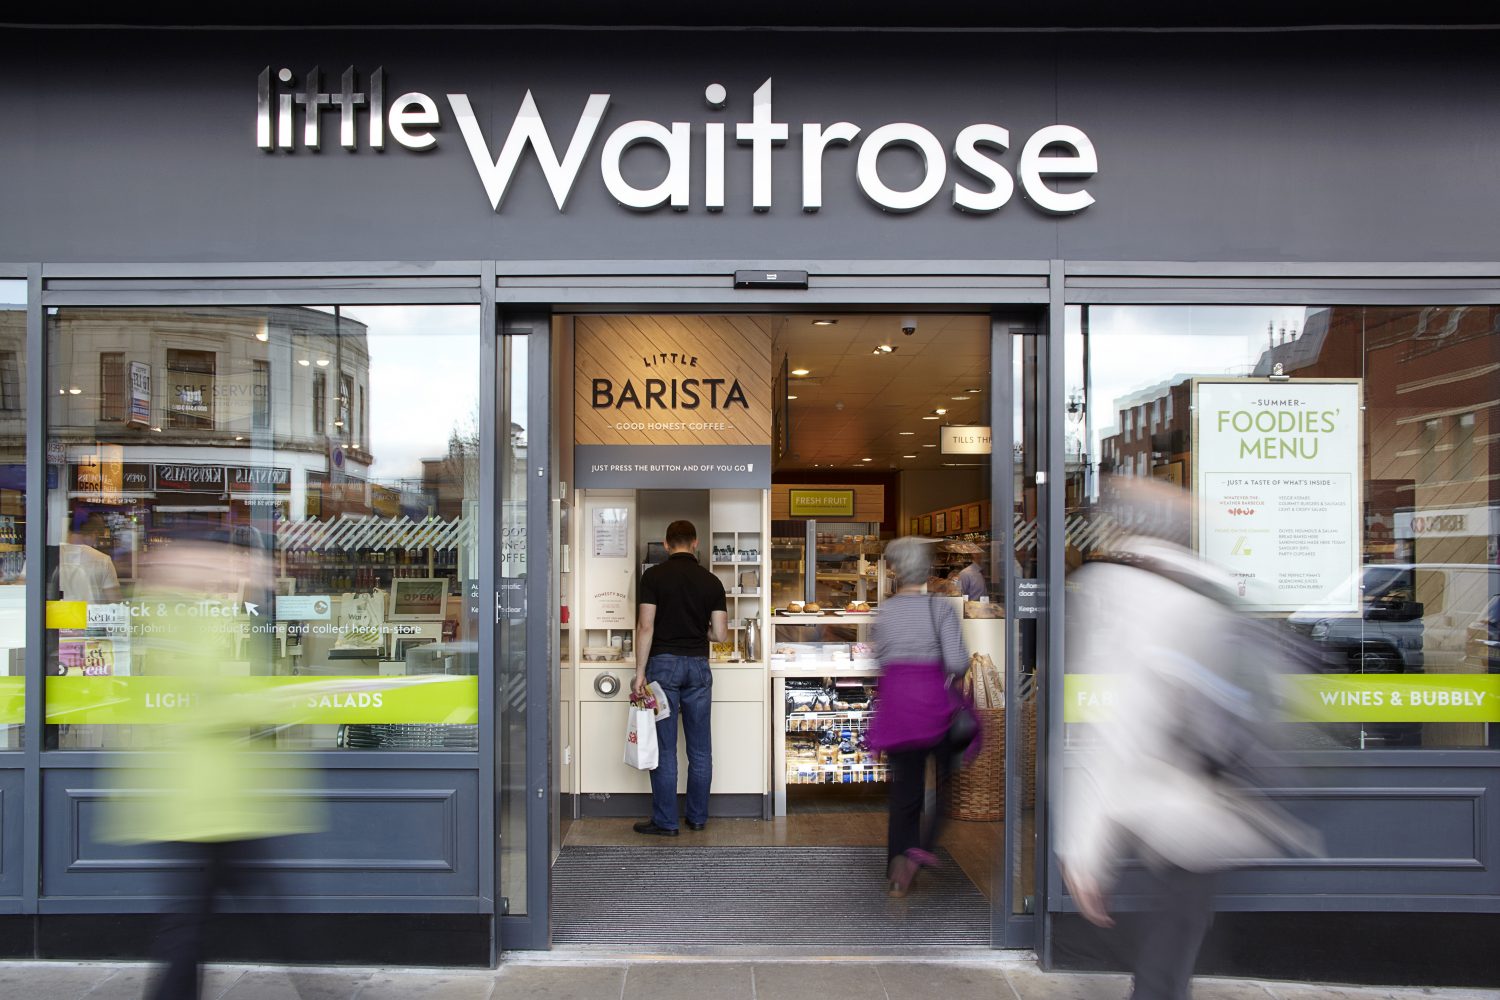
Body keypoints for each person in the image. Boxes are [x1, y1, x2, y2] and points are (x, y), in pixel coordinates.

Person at [1058, 478, 1318, 1000]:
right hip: (1217, 800)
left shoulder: (1121, 590)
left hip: (1165, 801)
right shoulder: (1211, 584)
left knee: (1164, 948)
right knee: (1177, 937)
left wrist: (1083, 846)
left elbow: (1118, 726)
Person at [104, 533, 321, 1000]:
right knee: (203, 927)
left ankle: (315, 986)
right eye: (214, 560)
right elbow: (201, 704)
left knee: (220, 922)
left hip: (217, 802)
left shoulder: (187, 615)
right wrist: (269, 703)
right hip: (200, 804)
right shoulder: (170, 622)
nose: (223, 569)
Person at [866, 536, 970, 897]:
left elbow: (879, 659)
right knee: (944, 788)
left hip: (897, 711)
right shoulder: (940, 609)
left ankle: (896, 864)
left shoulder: (885, 611)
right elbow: (958, 662)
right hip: (934, 711)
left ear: (895, 571)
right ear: (925, 570)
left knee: (904, 792)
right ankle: (917, 852)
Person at [632, 519, 727, 836]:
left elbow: (646, 627)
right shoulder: (712, 581)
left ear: (667, 544)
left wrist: (639, 672)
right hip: (699, 667)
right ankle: (698, 818)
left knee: (665, 747)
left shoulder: (653, 576)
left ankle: (666, 821)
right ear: (696, 543)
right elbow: (721, 633)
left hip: (663, 670)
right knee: (700, 749)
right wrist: (701, 631)